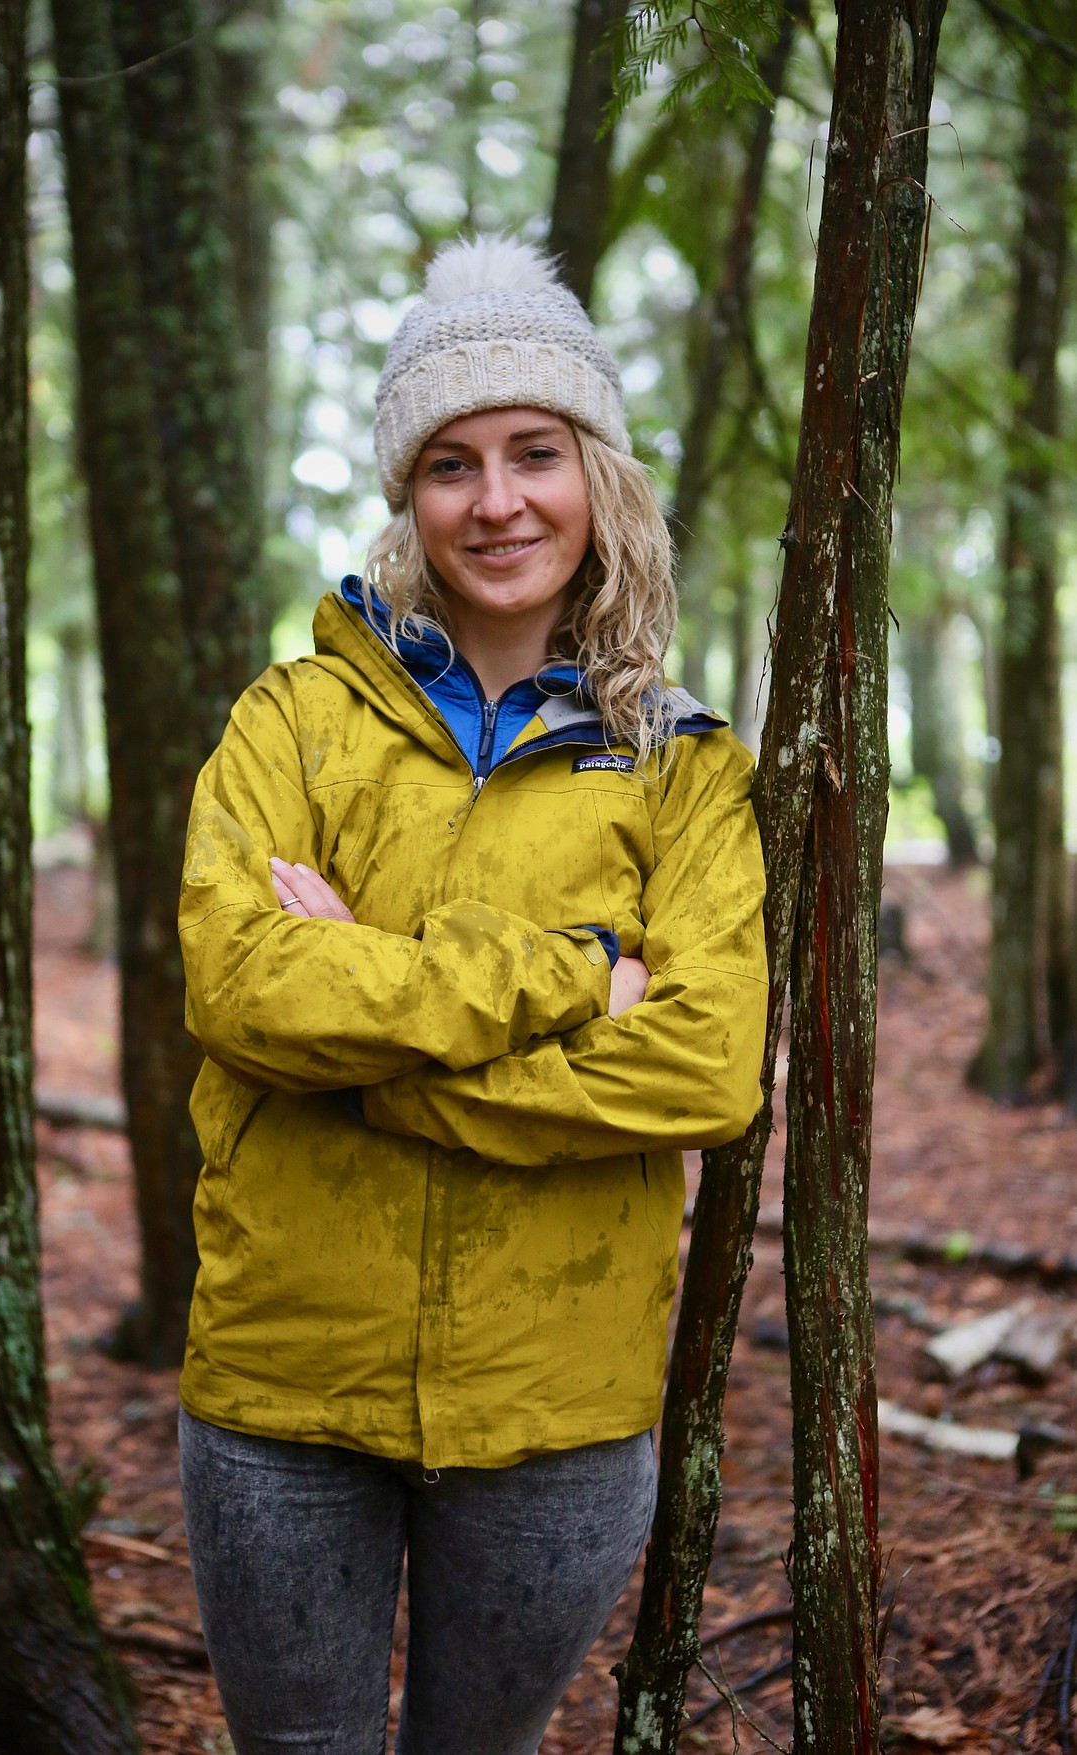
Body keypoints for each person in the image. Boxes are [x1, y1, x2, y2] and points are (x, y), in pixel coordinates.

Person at [176, 234, 768, 1755]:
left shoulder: (683, 768)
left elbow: (704, 1070)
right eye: (449, 463)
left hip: (555, 1407)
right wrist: (571, 974)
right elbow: (246, 988)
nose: (496, 501)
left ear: (599, 477)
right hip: (283, 1385)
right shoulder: (292, 720)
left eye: (532, 452)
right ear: (405, 496)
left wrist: (370, 1049)